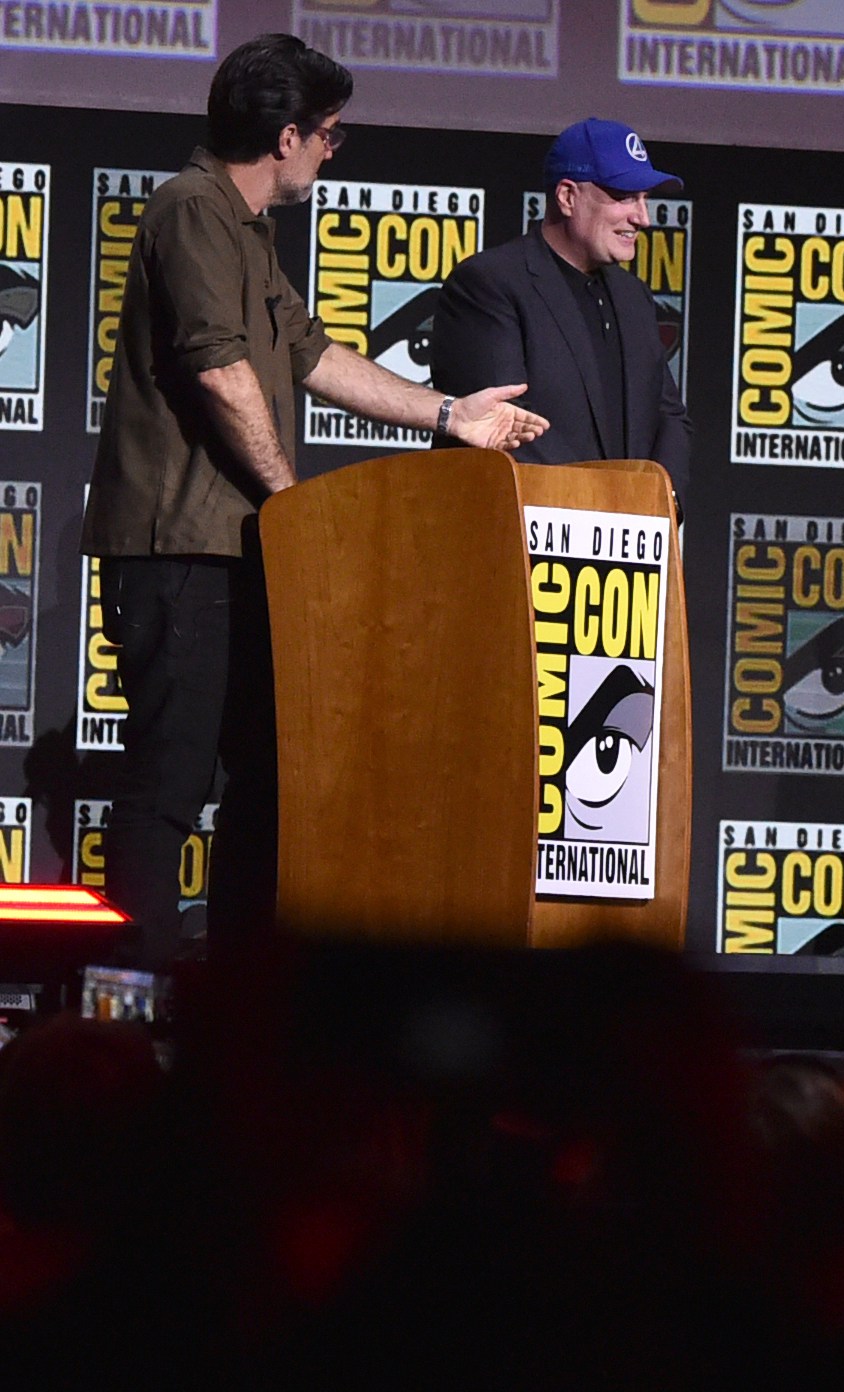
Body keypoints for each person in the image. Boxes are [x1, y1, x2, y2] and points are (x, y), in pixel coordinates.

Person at [81, 33, 546, 966]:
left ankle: (245, 1005)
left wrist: (451, 413)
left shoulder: (248, 229)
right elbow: (218, 370)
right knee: (169, 787)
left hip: (245, 549)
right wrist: (294, 503)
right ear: (287, 136)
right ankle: (130, 1010)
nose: (332, 151)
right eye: (330, 135)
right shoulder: (190, 210)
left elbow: (316, 358)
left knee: (264, 782)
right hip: (180, 550)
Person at [432, 117, 693, 497]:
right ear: (568, 197)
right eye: (624, 197)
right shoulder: (489, 284)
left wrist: (661, 505)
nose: (642, 218)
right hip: (523, 537)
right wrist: (591, 518)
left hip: (626, 543)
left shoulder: (634, 296)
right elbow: (506, 429)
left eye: (645, 199)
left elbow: (668, 416)